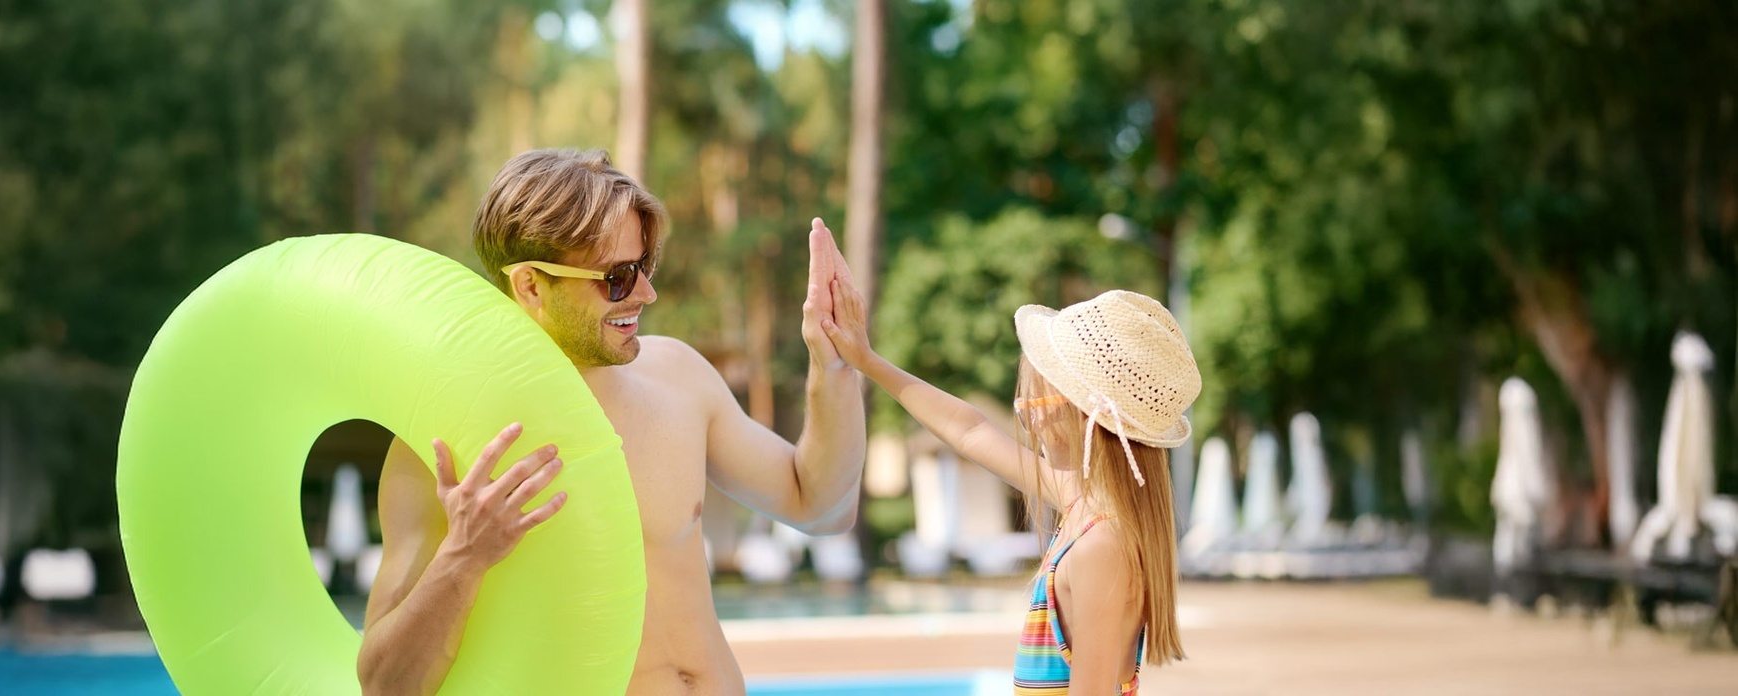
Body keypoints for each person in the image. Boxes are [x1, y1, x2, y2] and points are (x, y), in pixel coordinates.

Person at [356, 149, 866, 696]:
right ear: (531, 285)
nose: (646, 293)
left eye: (645, 266)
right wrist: (463, 557)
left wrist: (832, 366)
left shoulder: (678, 377)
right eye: (618, 277)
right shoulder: (451, 439)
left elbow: (819, 506)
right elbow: (385, 686)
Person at [820, 272, 1197, 695]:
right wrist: (867, 360)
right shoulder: (1083, 509)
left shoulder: (1101, 546)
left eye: (1032, 401)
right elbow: (969, 430)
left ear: (1080, 415)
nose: (1026, 418)